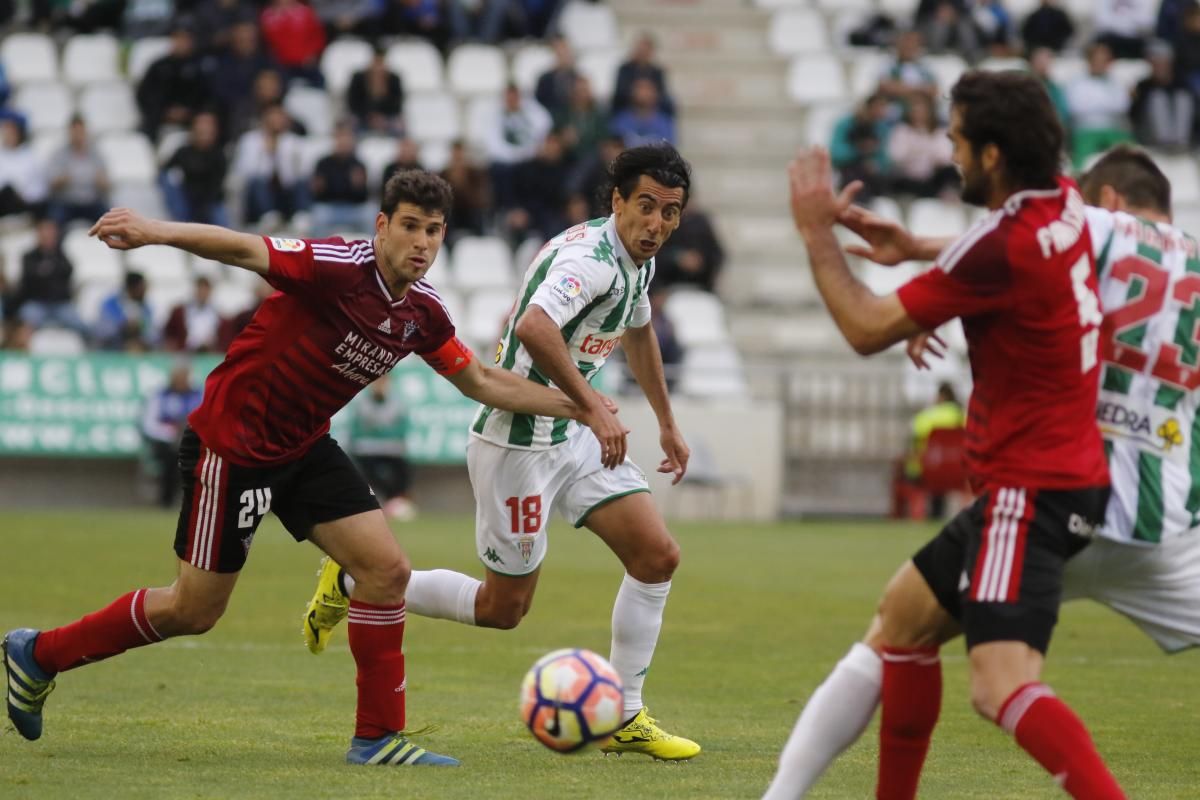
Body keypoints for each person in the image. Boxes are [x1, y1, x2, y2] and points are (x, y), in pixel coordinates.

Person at [2, 169, 609, 767]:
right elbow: (245, 247)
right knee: (194, 610)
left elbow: (478, 380)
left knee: (385, 570)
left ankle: (377, 739)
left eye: (434, 230)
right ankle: (39, 654)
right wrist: (154, 231)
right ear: (381, 226)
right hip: (233, 447)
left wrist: (581, 404)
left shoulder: (423, 313)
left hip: (304, 447)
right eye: (410, 227)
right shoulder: (338, 266)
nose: (423, 243)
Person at [763, 144, 1199, 800]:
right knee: (908, 615)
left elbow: (1013, 248)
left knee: (929, 646)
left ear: (1104, 200)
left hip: (1061, 495)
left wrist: (921, 264)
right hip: (1171, 525)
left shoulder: (1089, 229)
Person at [302, 143, 703, 762]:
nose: (657, 224)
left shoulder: (636, 260)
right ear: (617, 200)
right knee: (502, 608)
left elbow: (640, 328)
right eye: (646, 206)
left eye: (670, 212)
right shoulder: (589, 259)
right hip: (517, 441)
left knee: (657, 556)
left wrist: (667, 422)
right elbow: (534, 327)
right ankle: (354, 580)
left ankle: (623, 715)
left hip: (573, 434)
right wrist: (594, 406)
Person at [350, 377, 417, 521]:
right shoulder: (362, 402)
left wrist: (380, 432)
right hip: (367, 449)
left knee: (402, 474)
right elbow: (356, 429)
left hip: (392, 448)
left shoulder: (397, 402)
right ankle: (382, 502)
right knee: (367, 475)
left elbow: (402, 427)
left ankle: (394, 501)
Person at [14, 217, 88, 348]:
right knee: (25, 322)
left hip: (60, 304)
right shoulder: (29, 256)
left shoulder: (61, 255)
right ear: (38, 234)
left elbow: (68, 272)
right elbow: (29, 279)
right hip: (37, 303)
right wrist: (48, 272)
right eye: (45, 232)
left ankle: (92, 356)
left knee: (82, 326)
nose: (48, 236)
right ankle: (22, 357)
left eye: (51, 232)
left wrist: (45, 271)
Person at [142, 360, 204, 508]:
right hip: (166, 441)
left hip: (193, 440)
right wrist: (170, 433)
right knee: (172, 456)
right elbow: (149, 424)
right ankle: (167, 501)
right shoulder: (160, 396)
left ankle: (197, 502)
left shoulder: (199, 395)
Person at [47, 116, 109, 227]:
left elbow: (107, 185)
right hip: (67, 202)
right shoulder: (59, 154)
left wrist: (100, 182)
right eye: (74, 131)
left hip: (92, 202)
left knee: (110, 219)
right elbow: (51, 184)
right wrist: (63, 179)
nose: (77, 135)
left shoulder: (96, 154)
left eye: (80, 131)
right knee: (53, 220)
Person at [346, 48, 404, 136]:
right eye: (375, 63)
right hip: (363, 117)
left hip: (386, 118)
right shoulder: (358, 78)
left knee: (399, 127)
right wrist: (371, 117)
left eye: (380, 63)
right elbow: (352, 103)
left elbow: (397, 104)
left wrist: (381, 118)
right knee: (350, 126)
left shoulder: (394, 79)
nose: (378, 67)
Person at [95, 271, 156, 352]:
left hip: (139, 350)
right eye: (141, 288)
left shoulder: (146, 307)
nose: (145, 291)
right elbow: (102, 331)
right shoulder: (111, 304)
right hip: (112, 350)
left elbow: (152, 334)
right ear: (132, 288)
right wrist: (124, 326)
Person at [162, 276, 224, 353]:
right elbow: (169, 334)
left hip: (208, 353)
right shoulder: (180, 311)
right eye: (200, 289)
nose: (202, 293)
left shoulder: (216, 314)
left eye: (205, 290)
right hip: (186, 353)